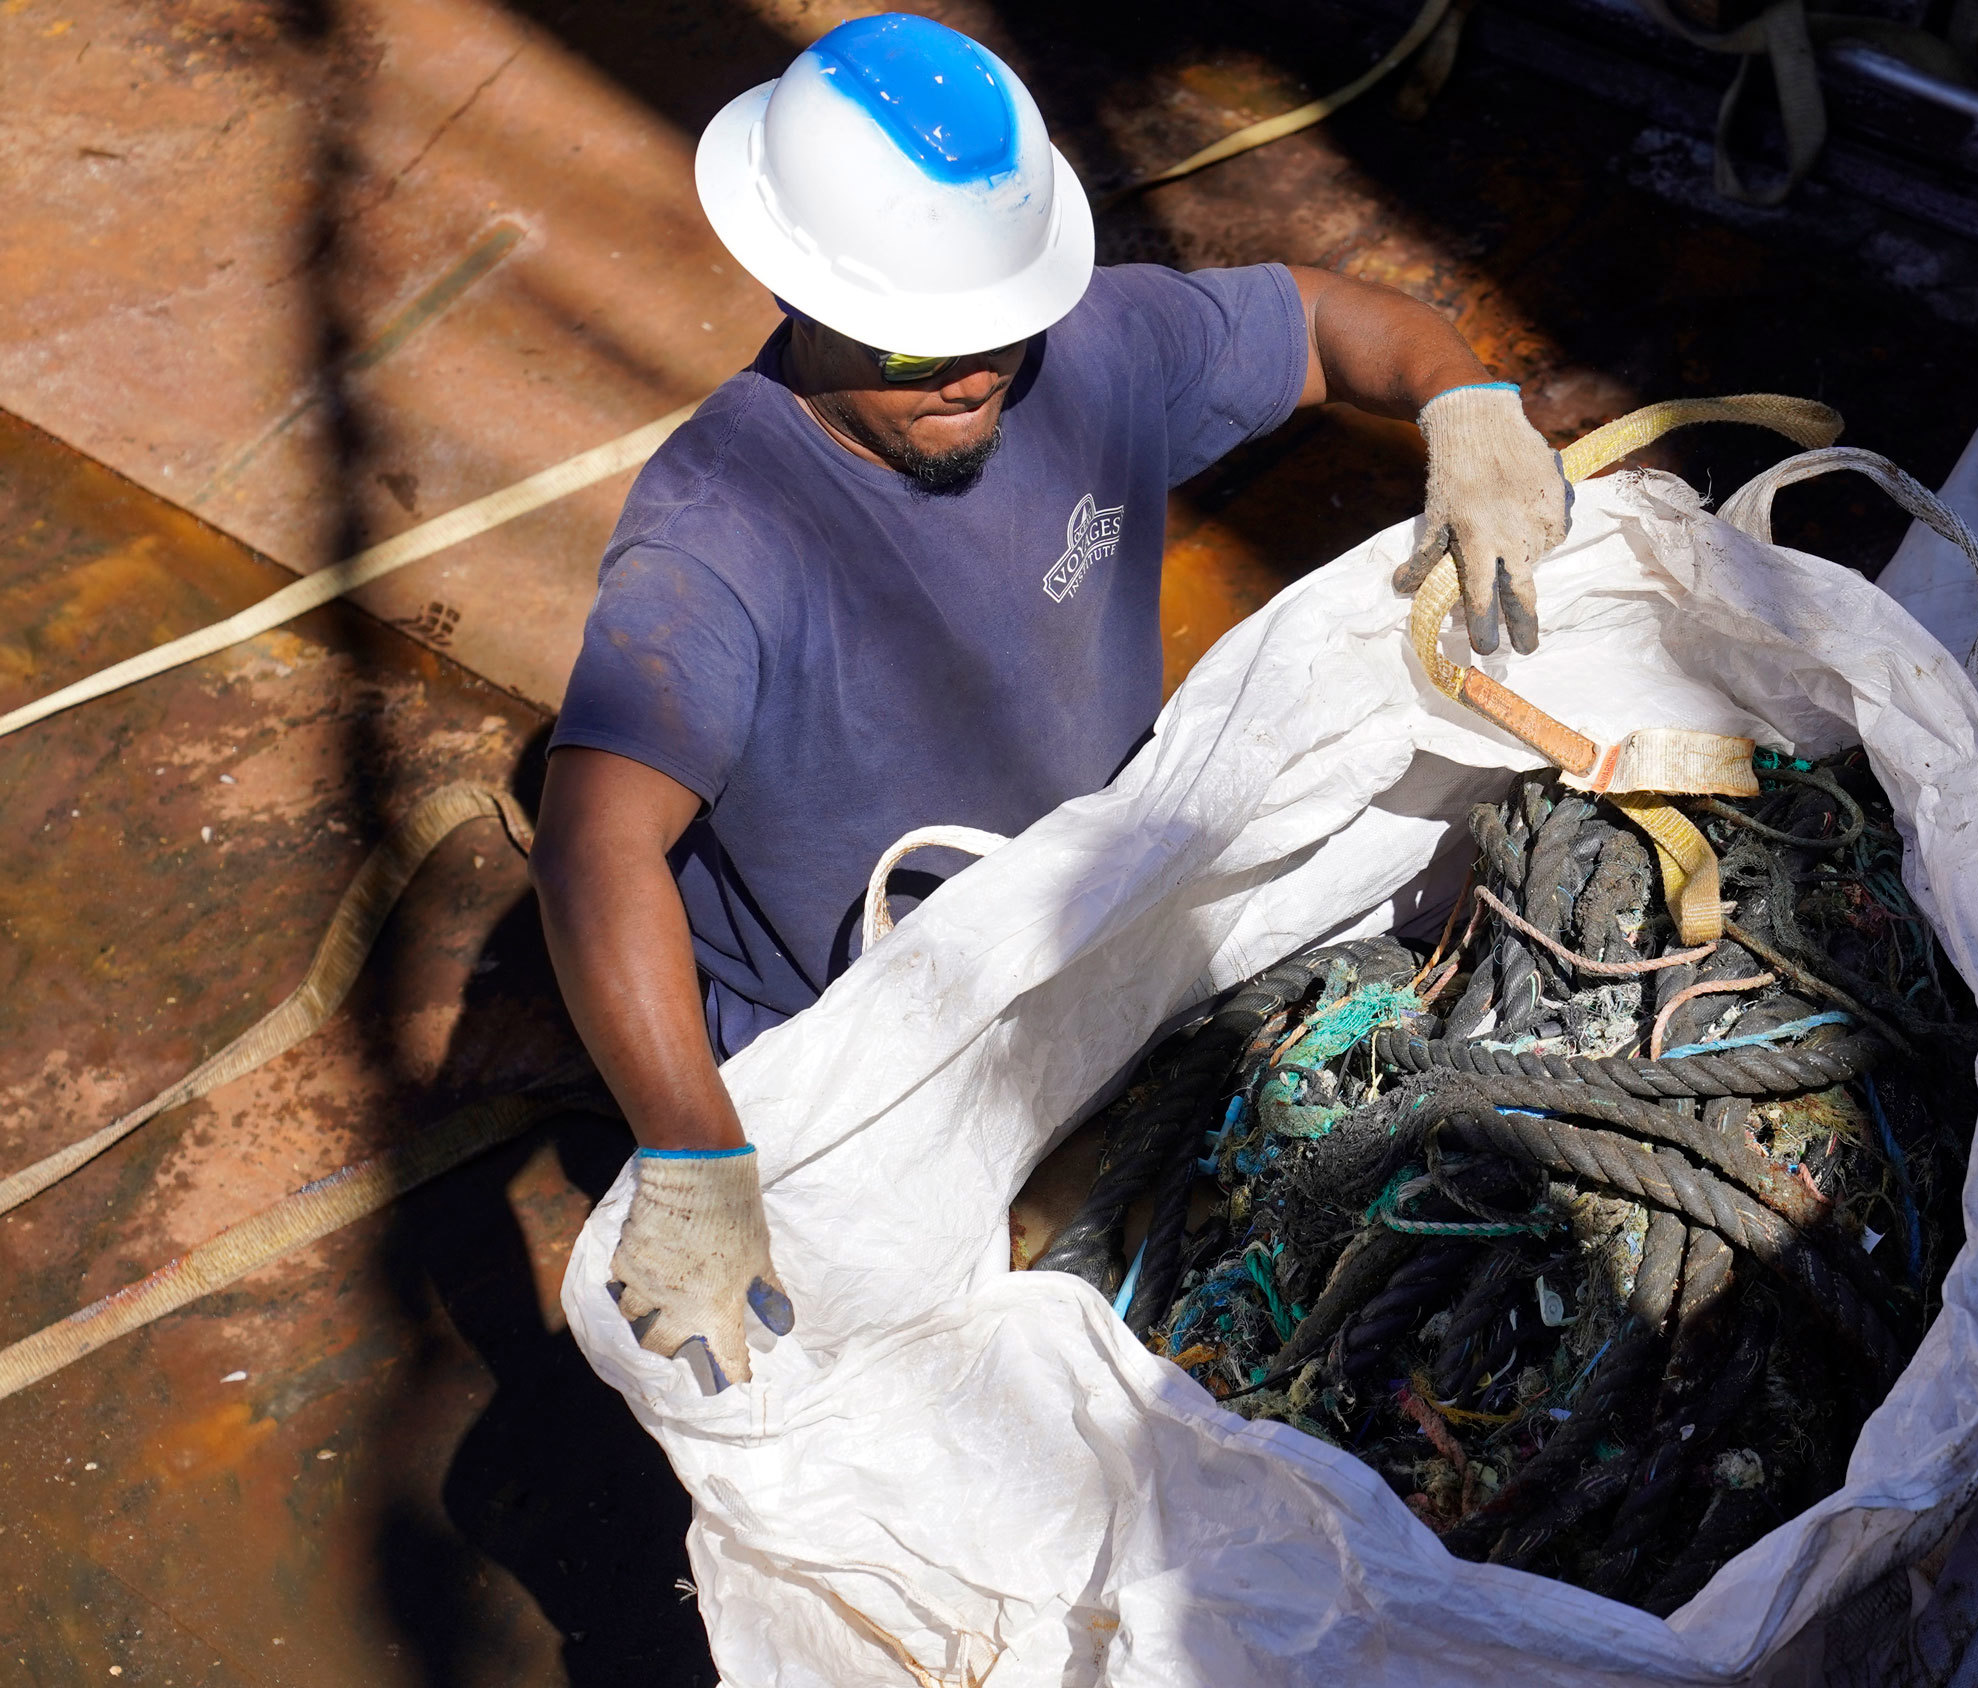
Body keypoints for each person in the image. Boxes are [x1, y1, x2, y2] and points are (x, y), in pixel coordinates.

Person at [526, 13, 1571, 1392]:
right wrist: (694, 1146)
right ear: (797, 290)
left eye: (995, 334)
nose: (970, 378)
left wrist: (1466, 403)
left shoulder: (1081, 358)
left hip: (1091, 928)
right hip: (862, 1037)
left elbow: (1322, 323)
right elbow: (593, 846)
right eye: (914, 349)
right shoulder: (719, 539)